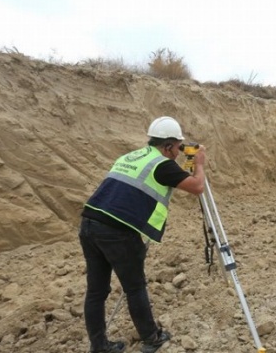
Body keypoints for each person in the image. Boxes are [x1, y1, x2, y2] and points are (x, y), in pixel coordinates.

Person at [79, 116, 206, 353]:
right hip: (117, 231)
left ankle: (99, 346)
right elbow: (197, 187)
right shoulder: (163, 164)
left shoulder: (131, 156)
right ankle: (151, 338)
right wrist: (199, 163)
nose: (179, 152)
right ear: (167, 145)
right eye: (178, 147)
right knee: (135, 287)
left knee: (96, 291)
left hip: (89, 223)